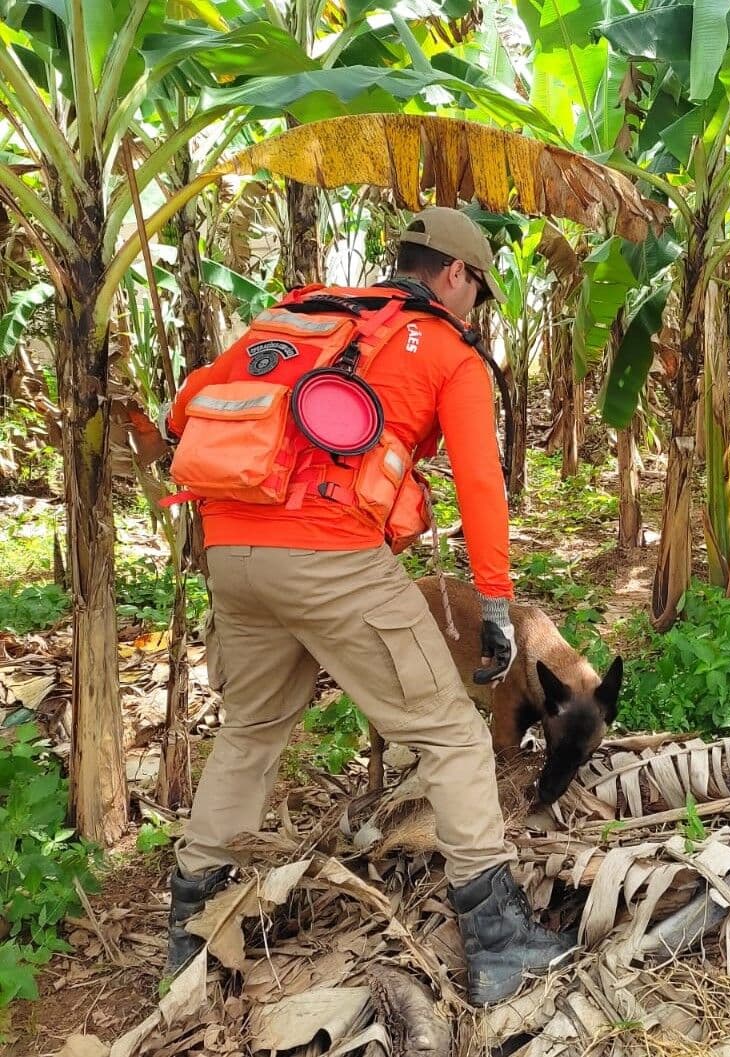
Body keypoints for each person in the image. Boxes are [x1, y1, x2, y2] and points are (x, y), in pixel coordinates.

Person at [159, 206, 578, 1007]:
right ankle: (499, 942)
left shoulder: (307, 313)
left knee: (250, 729)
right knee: (453, 731)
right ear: (455, 273)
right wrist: (495, 602)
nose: (474, 308)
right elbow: (482, 484)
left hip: (231, 549)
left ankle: (190, 934)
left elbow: (187, 413)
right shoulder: (447, 352)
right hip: (325, 552)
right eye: (478, 292)